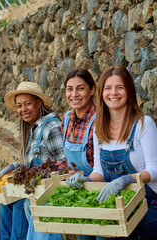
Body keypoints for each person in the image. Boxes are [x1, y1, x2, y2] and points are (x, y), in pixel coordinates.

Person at [67, 65, 157, 240]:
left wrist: (126, 179)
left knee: (114, 229)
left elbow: (155, 172)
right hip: (117, 201)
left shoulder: (143, 124)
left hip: (149, 202)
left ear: (129, 91)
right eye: (108, 88)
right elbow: (99, 173)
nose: (113, 93)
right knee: (86, 229)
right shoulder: (99, 128)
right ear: (101, 93)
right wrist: (85, 179)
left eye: (120, 87)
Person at [0, 81, 65, 240]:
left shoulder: (52, 127)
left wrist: (42, 179)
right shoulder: (35, 127)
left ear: (38, 102)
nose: (23, 109)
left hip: (48, 189)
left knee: (21, 204)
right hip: (34, 186)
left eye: (27, 104)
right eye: (19, 106)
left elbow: (64, 164)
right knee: (4, 200)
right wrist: (16, 166)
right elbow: (33, 163)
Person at [61, 68, 97, 240]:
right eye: (69, 89)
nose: (74, 94)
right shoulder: (67, 118)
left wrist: (82, 176)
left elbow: (105, 165)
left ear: (92, 90)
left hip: (97, 188)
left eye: (80, 88)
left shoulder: (99, 120)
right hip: (73, 186)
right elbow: (65, 158)